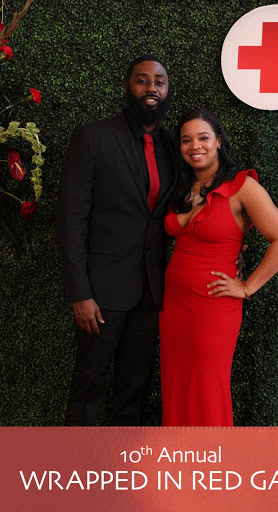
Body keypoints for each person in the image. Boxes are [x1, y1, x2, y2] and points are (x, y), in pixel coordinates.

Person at [56, 55, 177, 426]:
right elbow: (70, 220)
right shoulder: (92, 137)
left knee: (133, 388)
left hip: (151, 293)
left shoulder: (175, 146)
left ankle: (122, 472)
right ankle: (79, 471)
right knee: (89, 384)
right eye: (142, 80)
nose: (151, 88)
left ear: (167, 90)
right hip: (101, 294)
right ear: (128, 87)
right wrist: (80, 293)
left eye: (159, 81)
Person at [159, 108, 278, 427]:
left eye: (204, 137)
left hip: (214, 306)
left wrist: (246, 288)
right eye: (186, 140)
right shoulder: (181, 187)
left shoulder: (242, 187)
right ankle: (181, 460)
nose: (196, 145)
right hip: (174, 306)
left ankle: (212, 463)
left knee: (207, 385)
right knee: (176, 383)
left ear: (218, 141)